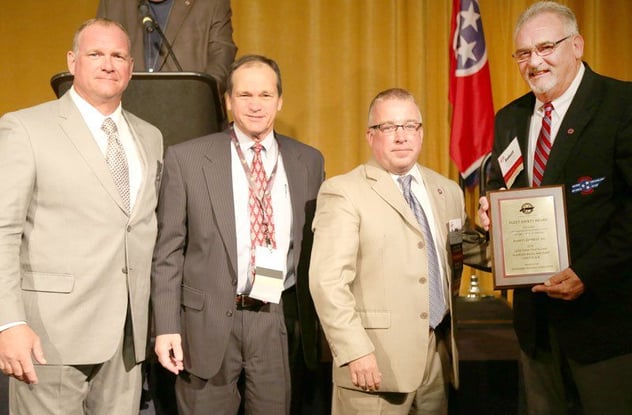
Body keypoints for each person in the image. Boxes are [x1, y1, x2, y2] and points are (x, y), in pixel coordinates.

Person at [0, 18, 163, 414]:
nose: (108, 64)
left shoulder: (150, 136)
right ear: (73, 61)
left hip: (125, 342)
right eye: (95, 54)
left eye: (118, 55)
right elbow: (4, 230)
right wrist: (7, 323)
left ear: (130, 67)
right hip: (49, 337)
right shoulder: (24, 128)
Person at [478, 1, 632, 413]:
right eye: (524, 53)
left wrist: (587, 273)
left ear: (577, 45)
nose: (535, 62)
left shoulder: (622, 104)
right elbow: (500, 184)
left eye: (546, 47)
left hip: (606, 326)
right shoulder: (509, 118)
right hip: (536, 331)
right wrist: (489, 208)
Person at [151, 54, 325, 414]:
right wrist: (165, 325)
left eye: (265, 95)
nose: (256, 105)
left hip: (276, 318)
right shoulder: (187, 159)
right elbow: (168, 251)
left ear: (280, 100)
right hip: (206, 321)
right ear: (228, 101)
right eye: (245, 95)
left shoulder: (309, 161)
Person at [309, 88, 467, 414]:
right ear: (371, 135)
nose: (401, 136)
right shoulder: (344, 192)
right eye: (389, 127)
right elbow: (327, 282)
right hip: (374, 364)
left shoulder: (448, 191)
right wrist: (354, 351)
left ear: (421, 133)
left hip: (437, 357)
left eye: (410, 126)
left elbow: (459, 255)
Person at [97, 0, 237, 92]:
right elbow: (97, 56)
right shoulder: (113, 3)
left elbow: (221, 58)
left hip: (188, 116)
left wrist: (200, 97)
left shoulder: (211, 4)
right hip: (127, 114)